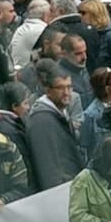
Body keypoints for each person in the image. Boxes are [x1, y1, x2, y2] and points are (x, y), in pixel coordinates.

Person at [27, 61, 84, 191]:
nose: (66, 93)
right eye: (60, 88)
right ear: (48, 90)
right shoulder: (41, 122)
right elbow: (47, 166)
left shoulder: (59, 113)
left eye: (69, 87)